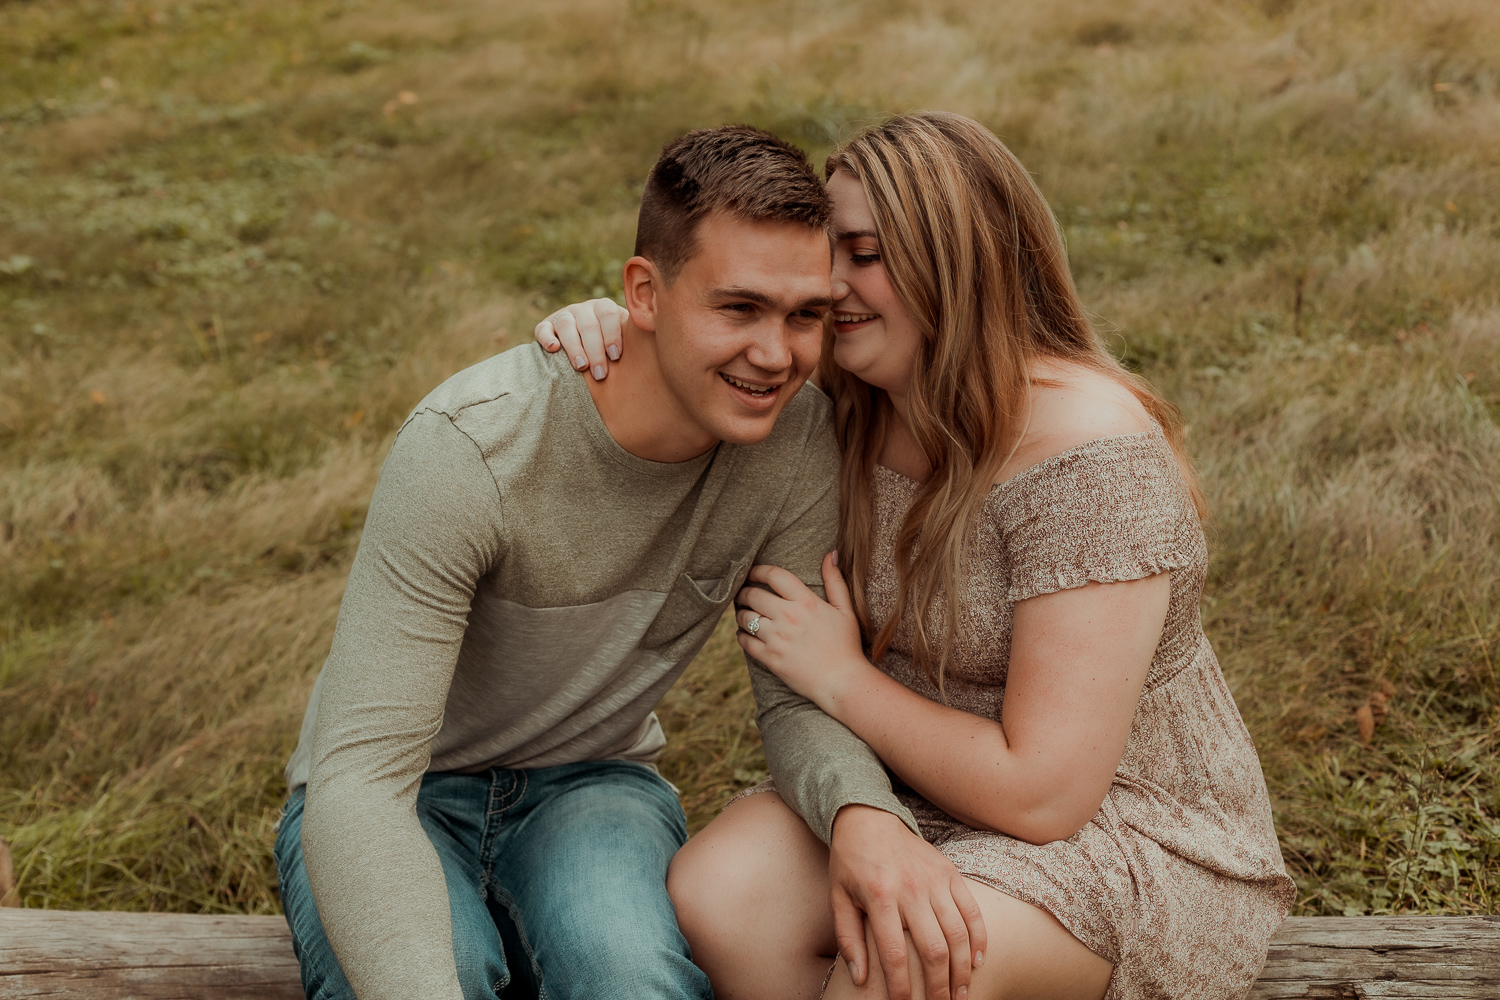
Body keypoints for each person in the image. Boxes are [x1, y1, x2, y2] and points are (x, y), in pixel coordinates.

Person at [537, 111, 1296, 1000]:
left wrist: (841, 678)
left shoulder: (1088, 454)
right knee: (719, 895)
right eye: (832, 255)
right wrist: (625, 326)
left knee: (903, 966)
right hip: (912, 792)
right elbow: (716, 339)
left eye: (865, 254)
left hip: (1118, 829)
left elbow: (1046, 796)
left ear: (958, 261)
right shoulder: (848, 402)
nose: (833, 285)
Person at [272, 124, 977, 1000]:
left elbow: (795, 691)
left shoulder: (798, 446)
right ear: (644, 291)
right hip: (400, 790)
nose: (776, 354)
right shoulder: (471, 451)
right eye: (738, 307)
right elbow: (360, 780)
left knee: (629, 971)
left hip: (592, 785)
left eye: (806, 316)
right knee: (433, 973)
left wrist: (863, 814)